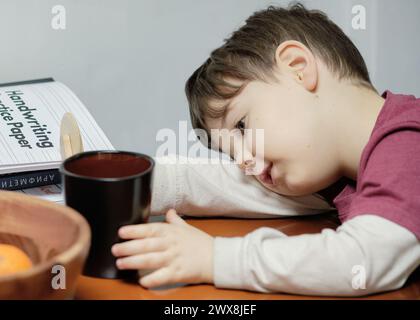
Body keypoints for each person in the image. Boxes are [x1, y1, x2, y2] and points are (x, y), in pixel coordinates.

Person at [111, 4, 420, 296]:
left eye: (242, 127)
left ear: (298, 68)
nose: (244, 161)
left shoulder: (409, 141)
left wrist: (213, 258)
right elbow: (226, 185)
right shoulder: (333, 171)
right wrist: (117, 183)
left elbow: (361, 260)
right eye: (232, 154)